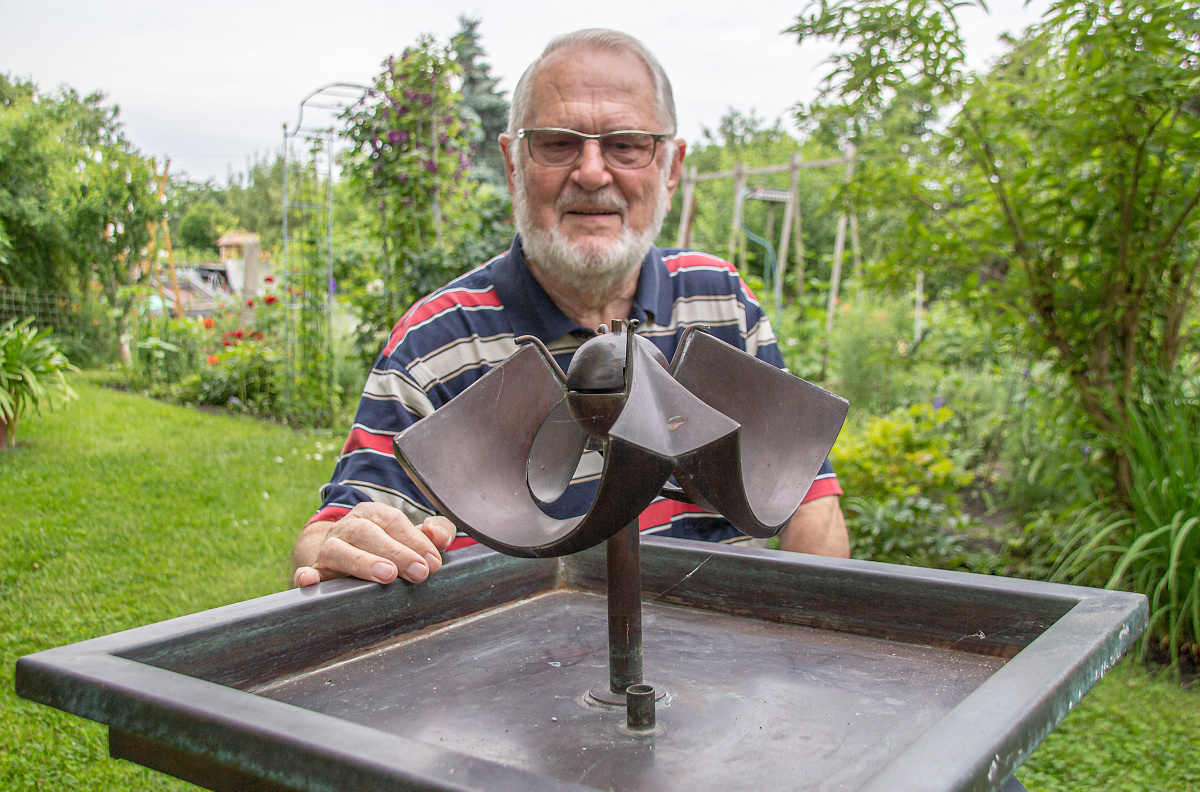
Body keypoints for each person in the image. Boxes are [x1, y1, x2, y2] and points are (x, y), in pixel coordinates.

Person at [292, 29, 848, 589]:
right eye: (557, 143)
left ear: (672, 167)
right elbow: (340, 530)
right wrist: (342, 541)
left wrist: (811, 652)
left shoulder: (722, 301)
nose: (590, 172)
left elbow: (807, 502)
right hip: (525, 667)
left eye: (626, 144)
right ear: (513, 163)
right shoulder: (438, 338)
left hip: (726, 660)